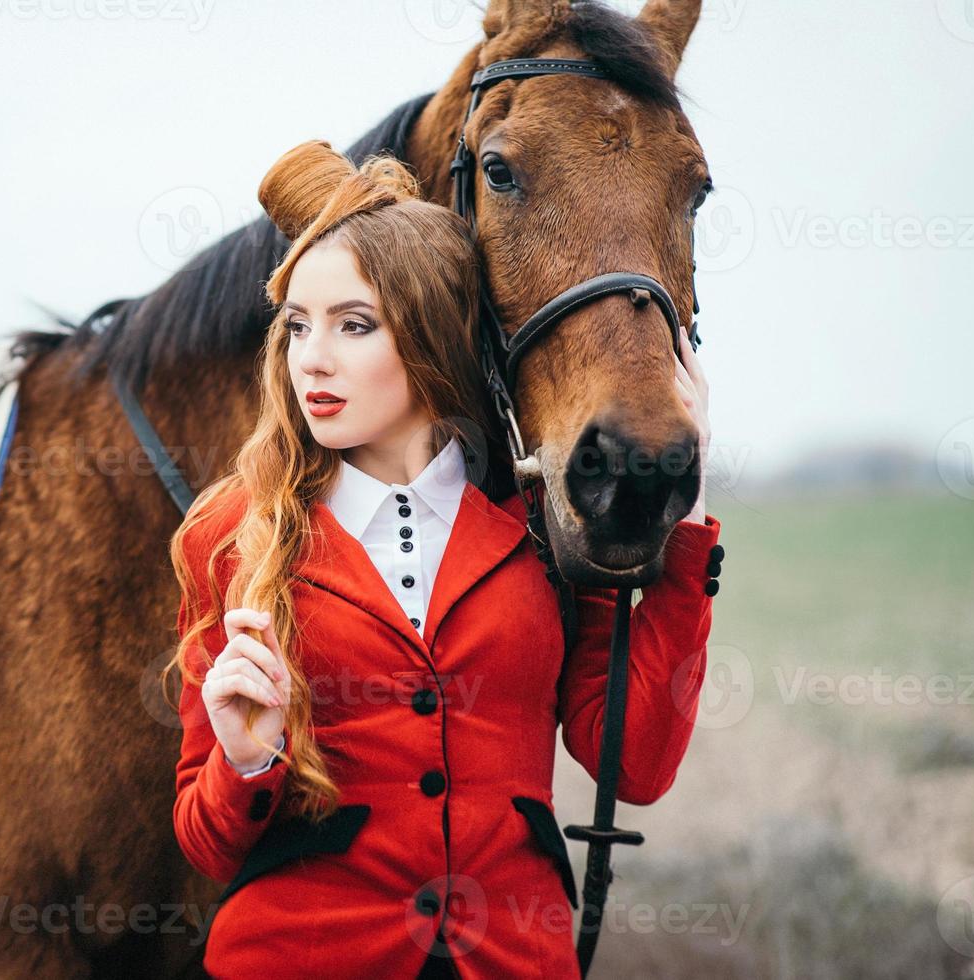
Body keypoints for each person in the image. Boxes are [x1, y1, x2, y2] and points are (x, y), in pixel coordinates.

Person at [166, 139, 721, 979]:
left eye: (353, 325)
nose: (312, 357)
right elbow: (206, 845)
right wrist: (246, 758)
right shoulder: (233, 535)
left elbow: (634, 766)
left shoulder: (544, 527)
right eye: (297, 326)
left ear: (430, 335)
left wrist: (685, 524)